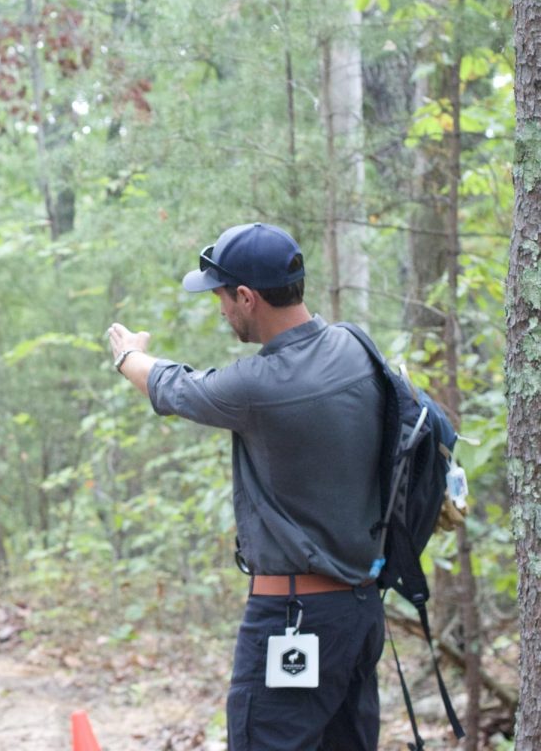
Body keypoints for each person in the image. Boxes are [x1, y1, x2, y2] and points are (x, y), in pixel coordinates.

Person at [106, 223, 385, 750]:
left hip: (294, 621)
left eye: (220, 297)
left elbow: (175, 387)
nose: (219, 311)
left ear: (246, 297)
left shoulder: (261, 387)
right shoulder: (354, 347)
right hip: (360, 613)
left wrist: (128, 355)